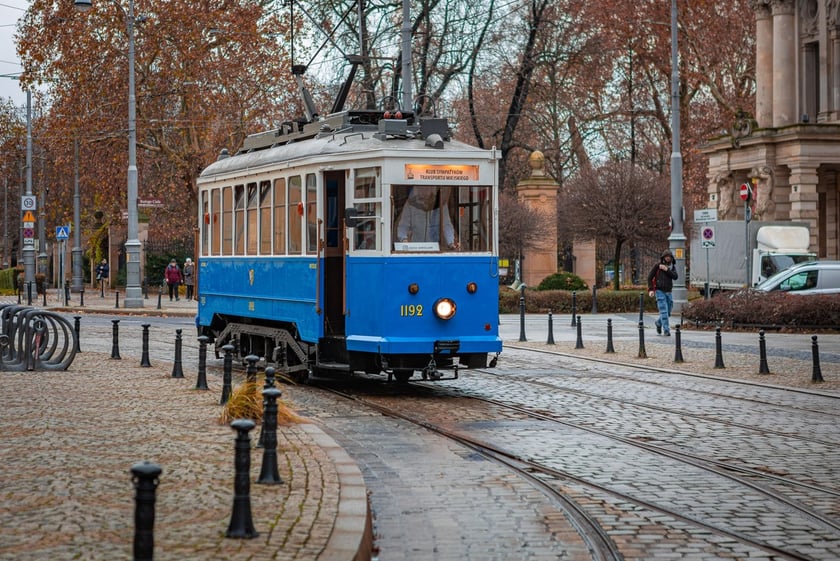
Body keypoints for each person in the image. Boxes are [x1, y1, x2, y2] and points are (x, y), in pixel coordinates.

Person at [647, 249, 678, 336]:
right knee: (663, 311)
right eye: (666, 257)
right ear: (663, 258)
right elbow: (649, 277)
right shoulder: (657, 266)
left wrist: (667, 270)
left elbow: (675, 277)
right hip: (659, 291)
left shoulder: (672, 267)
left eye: (669, 257)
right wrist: (651, 290)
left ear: (671, 258)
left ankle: (658, 323)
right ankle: (666, 330)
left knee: (668, 312)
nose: (668, 258)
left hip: (669, 291)